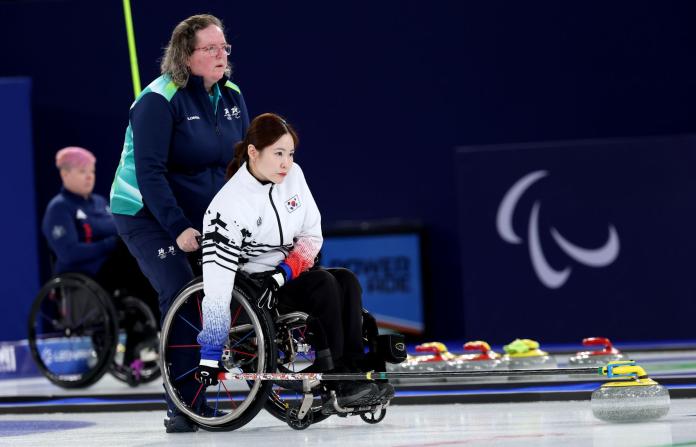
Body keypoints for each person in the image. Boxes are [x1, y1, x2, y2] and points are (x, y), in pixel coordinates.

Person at [109, 14, 249, 433]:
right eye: (210, 48)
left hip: (202, 211)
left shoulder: (232, 95)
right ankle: (183, 405)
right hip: (146, 213)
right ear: (187, 55)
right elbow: (150, 174)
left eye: (224, 47)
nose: (221, 54)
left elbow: (243, 165)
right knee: (181, 291)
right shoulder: (158, 99)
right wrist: (177, 228)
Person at [195, 113, 392, 408]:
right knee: (323, 284)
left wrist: (285, 272)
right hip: (253, 287)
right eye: (277, 154)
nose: (286, 163)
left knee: (346, 280)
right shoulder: (227, 206)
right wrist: (210, 355)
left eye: (290, 154)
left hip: (286, 275)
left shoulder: (294, 176)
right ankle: (336, 376)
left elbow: (312, 237)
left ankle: (356, 369)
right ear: (253, 152)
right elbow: (217, 287)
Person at [43, 146, 157, 364]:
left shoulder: (100, 203)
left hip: (111, 269)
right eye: (81, 171)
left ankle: (146, 331)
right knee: (129, 252)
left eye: (92, 171)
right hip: (84, 275)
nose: (89, 176)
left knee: (143, 258)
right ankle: (147, 332)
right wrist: (110, 244)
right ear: (65, 174)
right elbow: (69, 253)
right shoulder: (59, 209)